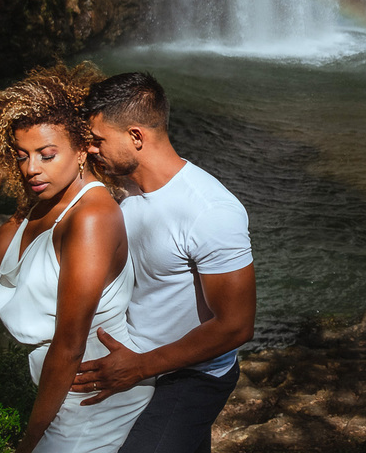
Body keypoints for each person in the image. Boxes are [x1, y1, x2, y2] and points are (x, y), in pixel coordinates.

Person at [0, 63, 154, 453]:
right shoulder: (40, 202)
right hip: (62, 384)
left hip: (90, 390)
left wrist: (32, 437)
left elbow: (69, 343)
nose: (31, 168)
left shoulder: (91, 217)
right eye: (20, 155)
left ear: (82, 149)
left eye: (47, 155)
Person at [71, 72, 256, 453]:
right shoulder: (122, 189)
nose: (91, 150)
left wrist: (138, 367)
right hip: (139, 360)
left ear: (136, 137)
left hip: (190, 375)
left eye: (98, 140)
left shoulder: (210, 211)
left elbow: (236, 326)